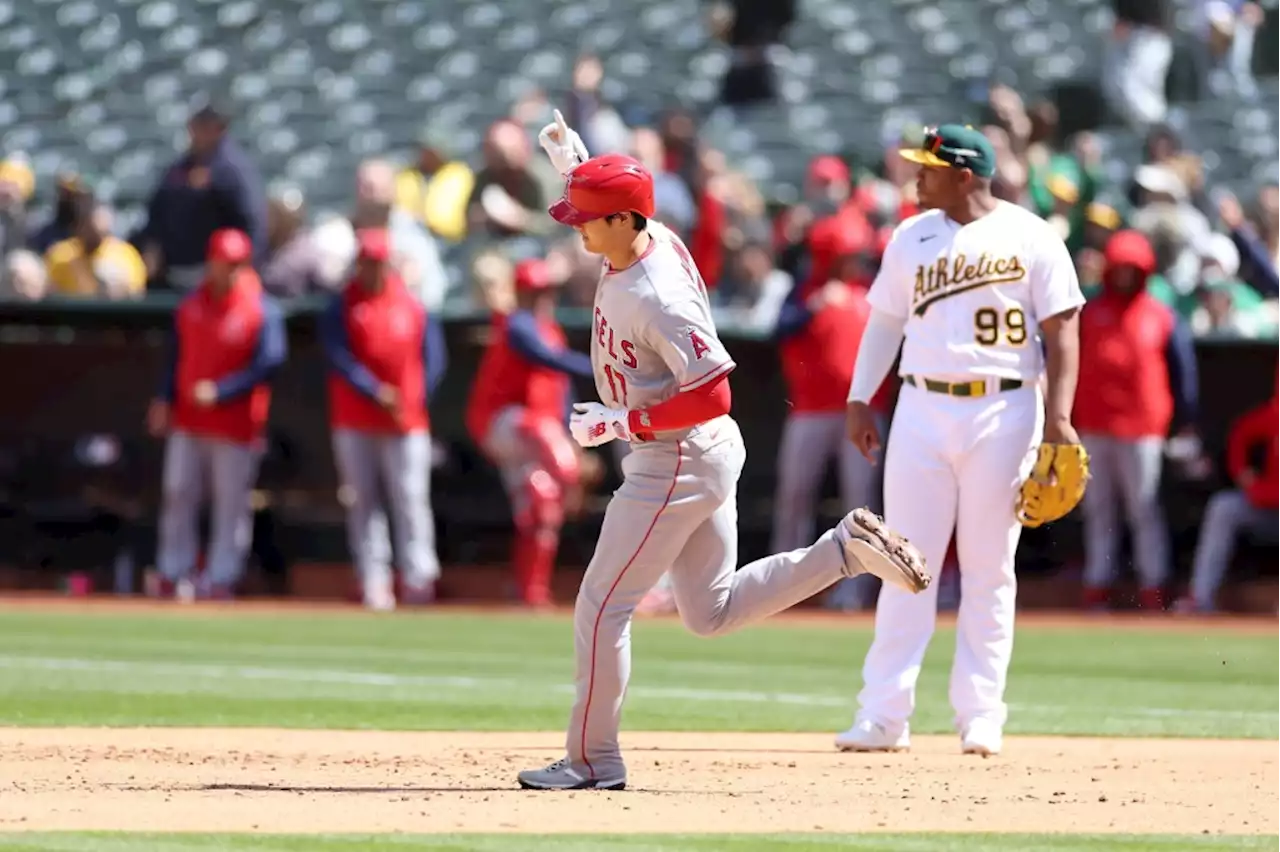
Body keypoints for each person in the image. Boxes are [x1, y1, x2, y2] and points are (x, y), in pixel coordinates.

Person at [516, 111, 930, 792]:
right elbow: (617, 203)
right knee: (708, 612)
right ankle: (844, 552)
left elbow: (713, 395)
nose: (578, 228)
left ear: (623, 221)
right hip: (691, 453)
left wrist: (623, 423)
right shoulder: (643, 236)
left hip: (675, 455)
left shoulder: (660, 294)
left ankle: (593, 761)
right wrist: (576, 163)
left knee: (600, 605)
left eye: (586, 217)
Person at [837, 125, 1086, 757]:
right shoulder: (909, 237)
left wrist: (1058, 418)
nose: (917, 176)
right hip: (920, 405)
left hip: (1004, 409)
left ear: (965, 175)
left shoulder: (1031, 235)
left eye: (929, 168)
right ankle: (884, 715)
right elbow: (886, 321)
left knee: (987, 569)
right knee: (902, 562)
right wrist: (862, 397)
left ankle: (981, 714)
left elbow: (1063, 330)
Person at [148, 229, 287, 599]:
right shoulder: (191, 304)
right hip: (190, 419)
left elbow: (270, 363)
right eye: (227, 263)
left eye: (239, 263)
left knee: (231, 502)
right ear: (211, 262)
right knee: (178, 493)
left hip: (236, 424)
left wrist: (223, 391)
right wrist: (164, 398)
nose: (233, 270)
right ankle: (172, 570)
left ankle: (222, 576)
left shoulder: (262, 308)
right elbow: (175, 358)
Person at [321, 228, 446, 611]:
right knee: (363, 500)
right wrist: (376, 391)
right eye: (367, 263)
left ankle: (418, 578)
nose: (373, 270)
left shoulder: (411, 303)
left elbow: (435, 359)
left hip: (405, 421)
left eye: (379, 263)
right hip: (355, 418)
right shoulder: (341, 306)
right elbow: (338, 357)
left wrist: (413, 397)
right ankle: (374, 579)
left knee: (410, 499)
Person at [1075, 230, 1197, 611]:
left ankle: (1152, 585)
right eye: (1120, 268)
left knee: (1143, 508)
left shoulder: (1161, 314)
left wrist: (1187, 421)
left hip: (1143, 427)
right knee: (1099, 509)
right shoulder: (1089, 312)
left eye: (1133, 269)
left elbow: (1184, 373)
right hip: (1095, 424)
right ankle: (1098, 585)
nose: (1126, 275)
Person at [466, 258, 593, 606]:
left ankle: (530, 589)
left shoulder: (551, 329)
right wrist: (598, 366)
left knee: (541, 507)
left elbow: (562, 389)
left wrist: (574, 435)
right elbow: (544, 357)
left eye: (545, 291)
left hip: (536, 434)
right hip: (502, 423)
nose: (541, 298)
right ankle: (568, 476)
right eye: (534, 291)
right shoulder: (516, 324)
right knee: (550, 447)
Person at [1178, 367, 1280, 612]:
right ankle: (1200, 598)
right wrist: (1245, 476)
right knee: (1224, 507)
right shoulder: (1274, 415)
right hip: (1269, 511)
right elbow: (1241, 434)